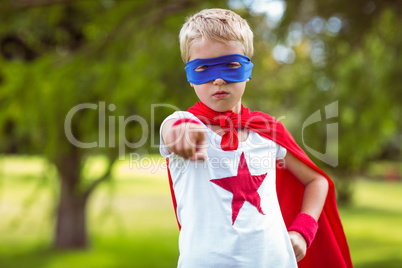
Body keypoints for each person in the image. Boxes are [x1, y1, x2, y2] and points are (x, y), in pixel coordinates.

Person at [160, 8, 352, 268]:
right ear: (190, 78)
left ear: (248, 70)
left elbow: (317, 181)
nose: (218, 79)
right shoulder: (185, 124)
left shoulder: (267, 130)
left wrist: (303, 231)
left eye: (231, 65)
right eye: (203, 68)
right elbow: (173, 127)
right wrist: (178, 129)